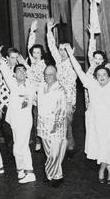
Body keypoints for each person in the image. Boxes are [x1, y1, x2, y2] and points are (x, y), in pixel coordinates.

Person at [66, 45, 110, 183]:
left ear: (109, 76)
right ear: (95, 77)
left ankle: (104, 169)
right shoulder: (91, 84)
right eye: (99, 75)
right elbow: (78, 70)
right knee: (102, 145)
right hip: (96, 121)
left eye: (104, 75)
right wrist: (70, 54)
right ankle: (108, 169)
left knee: (109, 144)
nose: (102, 77)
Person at [0, 44, 37, 184]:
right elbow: (2, 66)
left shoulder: (30, 86)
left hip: (25, 122)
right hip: (14, 121)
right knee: (21, 147)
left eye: (23, 70)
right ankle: (25, 171)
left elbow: (32, 75)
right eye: (18, 70)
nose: (21, 72)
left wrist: (24, 62)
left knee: (19, 148)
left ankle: (26, 171)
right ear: (14, 74)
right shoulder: (13, 84)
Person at [46, 20, 78, 152]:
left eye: (65, 50)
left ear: (72, 50)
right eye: (61, 50)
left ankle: (70, 146)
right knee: (59, 124)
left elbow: (70, 87)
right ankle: (63, 146)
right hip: (57, 98)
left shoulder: (73, 64)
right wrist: (49, 30)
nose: (62, 52)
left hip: (68, 101)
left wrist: (69, 103)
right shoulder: (59, 61)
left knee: (66, 124)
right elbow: (52, 47)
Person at [35, 63, 68, 186]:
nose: (48, 76)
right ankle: (56, 175)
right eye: (46, 74)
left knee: (55, 152)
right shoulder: (41, 87)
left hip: (56, 126)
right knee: (48, 152)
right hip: (43, 125)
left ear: (55, 75)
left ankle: (50, 173)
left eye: (51, 74)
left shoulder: (60, 89)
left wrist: (56, 125)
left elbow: (62, 109)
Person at [27, 20, 47, 152]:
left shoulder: (43, 65)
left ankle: (40, 140)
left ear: (41, 54)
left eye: (37, 53)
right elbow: (29, 46)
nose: (35, 55)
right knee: (32, 118)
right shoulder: (32, 62)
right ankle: (35, 139)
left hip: (40, 96)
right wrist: (32, 32)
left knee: (39, 118)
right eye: (34, 53)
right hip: (31, 95)